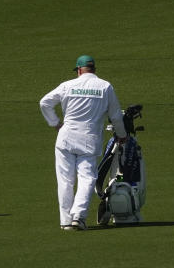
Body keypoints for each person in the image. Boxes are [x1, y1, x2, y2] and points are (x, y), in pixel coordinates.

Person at [39, 55, 128, 231]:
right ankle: (78, 217)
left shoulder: (68, 85)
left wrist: (55, 123)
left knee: (65, 180)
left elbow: (45, 103)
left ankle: (65, 221)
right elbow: (116, 116)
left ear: (79, 70)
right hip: (89, 138)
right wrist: (122, 134)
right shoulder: (105, 86)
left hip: (65, 137)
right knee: (87, 178)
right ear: (94, 69)